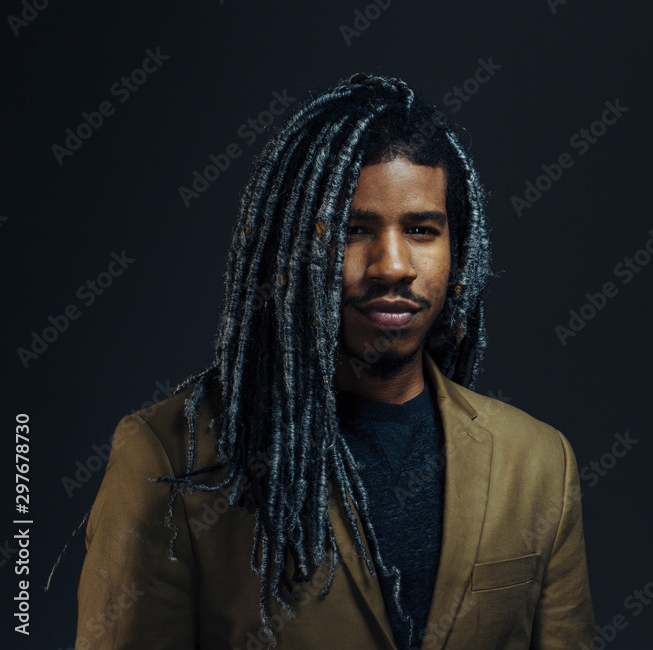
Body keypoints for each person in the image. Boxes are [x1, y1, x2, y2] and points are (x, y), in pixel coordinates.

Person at [76, 73, 596, 649]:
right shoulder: (168, 456)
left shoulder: (540, 463)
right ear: (289, 249)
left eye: (422, 230)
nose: (393, 265)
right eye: (353, 230)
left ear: (460, 249)